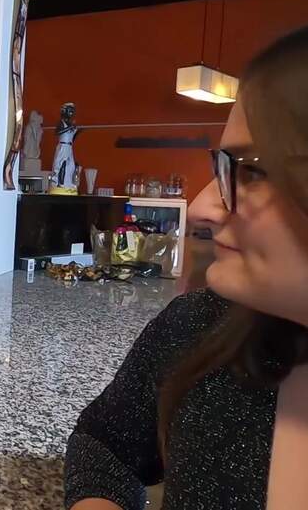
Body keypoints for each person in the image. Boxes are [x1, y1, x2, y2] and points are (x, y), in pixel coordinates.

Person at [64, 25, 308, 510]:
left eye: (253, 171)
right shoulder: (198, 328)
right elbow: (104, 444)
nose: (199, 208)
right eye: (225, 166)